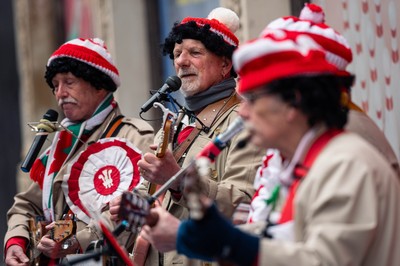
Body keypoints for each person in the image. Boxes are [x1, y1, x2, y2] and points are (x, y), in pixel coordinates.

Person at [140, 29, 400, 265]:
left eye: (252, 99)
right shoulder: (307, 162)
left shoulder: (345, 164)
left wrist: (221, 241)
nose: (242, 111)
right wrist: (190, 235)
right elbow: (278, 237)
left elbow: (321, 261)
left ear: (292, 102)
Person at [110, 7, 264, 266]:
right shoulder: (177, 120)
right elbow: (154, 191)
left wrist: (180, 181)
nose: (181, 62)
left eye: (195, 53)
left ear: (225, 64)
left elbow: (243, 205)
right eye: (177, 54)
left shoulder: (243, 121)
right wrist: (131, 203)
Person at [4, 38, 154, 265]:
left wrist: (75, 241)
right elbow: (26, 204)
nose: (60, 93)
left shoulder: (134, 136)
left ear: (99, 84)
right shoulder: (61, 144)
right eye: (55, 85)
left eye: (69, 82)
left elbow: (131, 211)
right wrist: (16, 240)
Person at [247, 2, 400, 224]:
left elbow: (325, 255)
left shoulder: (346, 140)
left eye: (254, 97)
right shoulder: (315, 134)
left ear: (295, 98)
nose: (243, 111)